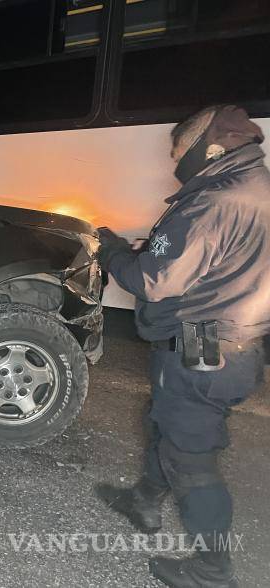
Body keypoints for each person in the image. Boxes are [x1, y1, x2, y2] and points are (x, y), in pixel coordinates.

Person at [95, 105, 270, 588]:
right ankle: (145, 501)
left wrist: (109, 249)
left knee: (192, 458)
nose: (174, 164)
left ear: (207, 150)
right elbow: (216, 264)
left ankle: (213, 572)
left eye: (178, 154)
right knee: (168, 423)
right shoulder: (258, 190)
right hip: (239, 341)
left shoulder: (214, 201)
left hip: (203, 344)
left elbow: (154, 281)